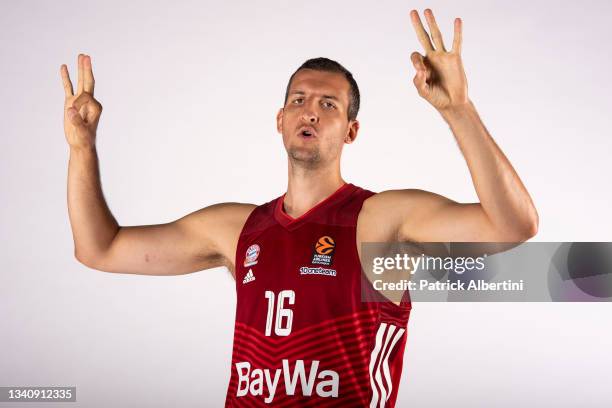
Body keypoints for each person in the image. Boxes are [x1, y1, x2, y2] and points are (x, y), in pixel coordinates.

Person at [61, 8, 538, 407]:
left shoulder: (382, 220)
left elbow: (513, 223)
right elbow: (99, 248)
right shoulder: (236, 228)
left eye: (329, 104)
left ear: (351, 131)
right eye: (299, 100)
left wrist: (458, 108)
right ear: (280, 119)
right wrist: (82, 149)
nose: (310, 110)